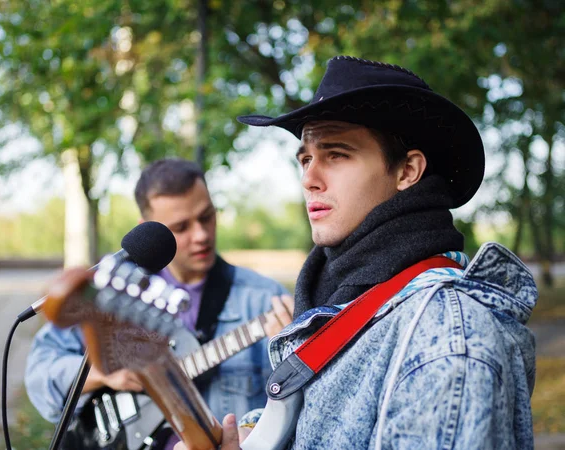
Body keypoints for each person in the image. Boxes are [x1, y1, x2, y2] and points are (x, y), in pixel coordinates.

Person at [176, 56, 537, 449]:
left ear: (406, 171)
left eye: (337, 155)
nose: (309, 179)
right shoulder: (346, 299)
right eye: (306, 159)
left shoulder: (447, 336)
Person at [25, 158, 293, 449]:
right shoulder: (116, 292)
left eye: (206, 217)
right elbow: (40, 374)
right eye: (180, 227)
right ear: (148, 229)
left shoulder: (265, 299)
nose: (201, 235)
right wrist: (103, 374)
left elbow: (292, 414)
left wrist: (290, 355)